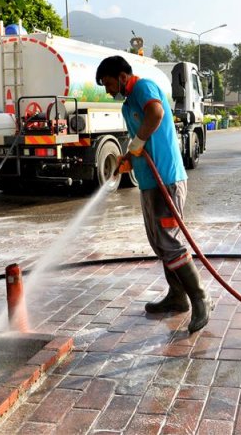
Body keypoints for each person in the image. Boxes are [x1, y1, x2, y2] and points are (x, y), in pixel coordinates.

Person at [95, 55, 210, 333]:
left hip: (166, 178)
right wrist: (128, 156)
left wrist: (136, 144)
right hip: (149, 181)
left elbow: (156, 114)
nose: (108, 90)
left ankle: (200, 298)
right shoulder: (128, 103)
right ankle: (177, 296)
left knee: (168, 241)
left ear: (122, 76)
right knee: (159, 241)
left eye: (109, 83)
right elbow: (140, 141)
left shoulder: (143, 87)